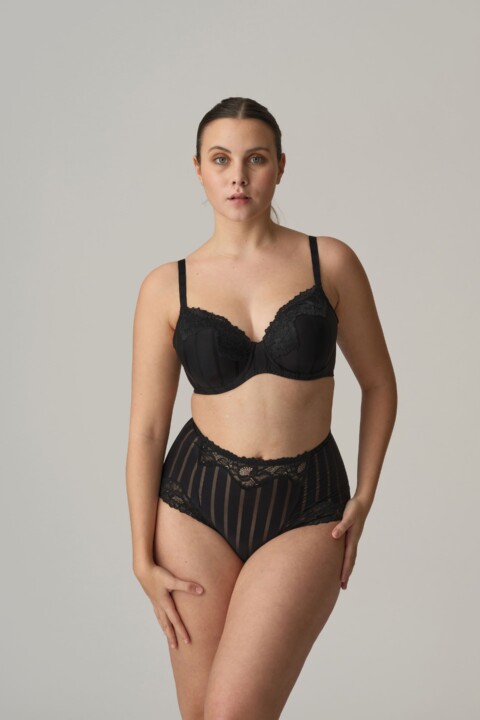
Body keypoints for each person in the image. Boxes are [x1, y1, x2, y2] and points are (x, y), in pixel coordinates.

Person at [126, 96, 397, 719]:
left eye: (256, 159)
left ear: (280, 166)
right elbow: (146, 431)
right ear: (198, 168)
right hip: (193, 506)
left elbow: (380, 384)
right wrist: (141, 555)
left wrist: (364, 497)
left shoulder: (329, 262)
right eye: (222, 159)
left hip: (308, 505)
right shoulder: (167, 286)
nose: (238, 176)